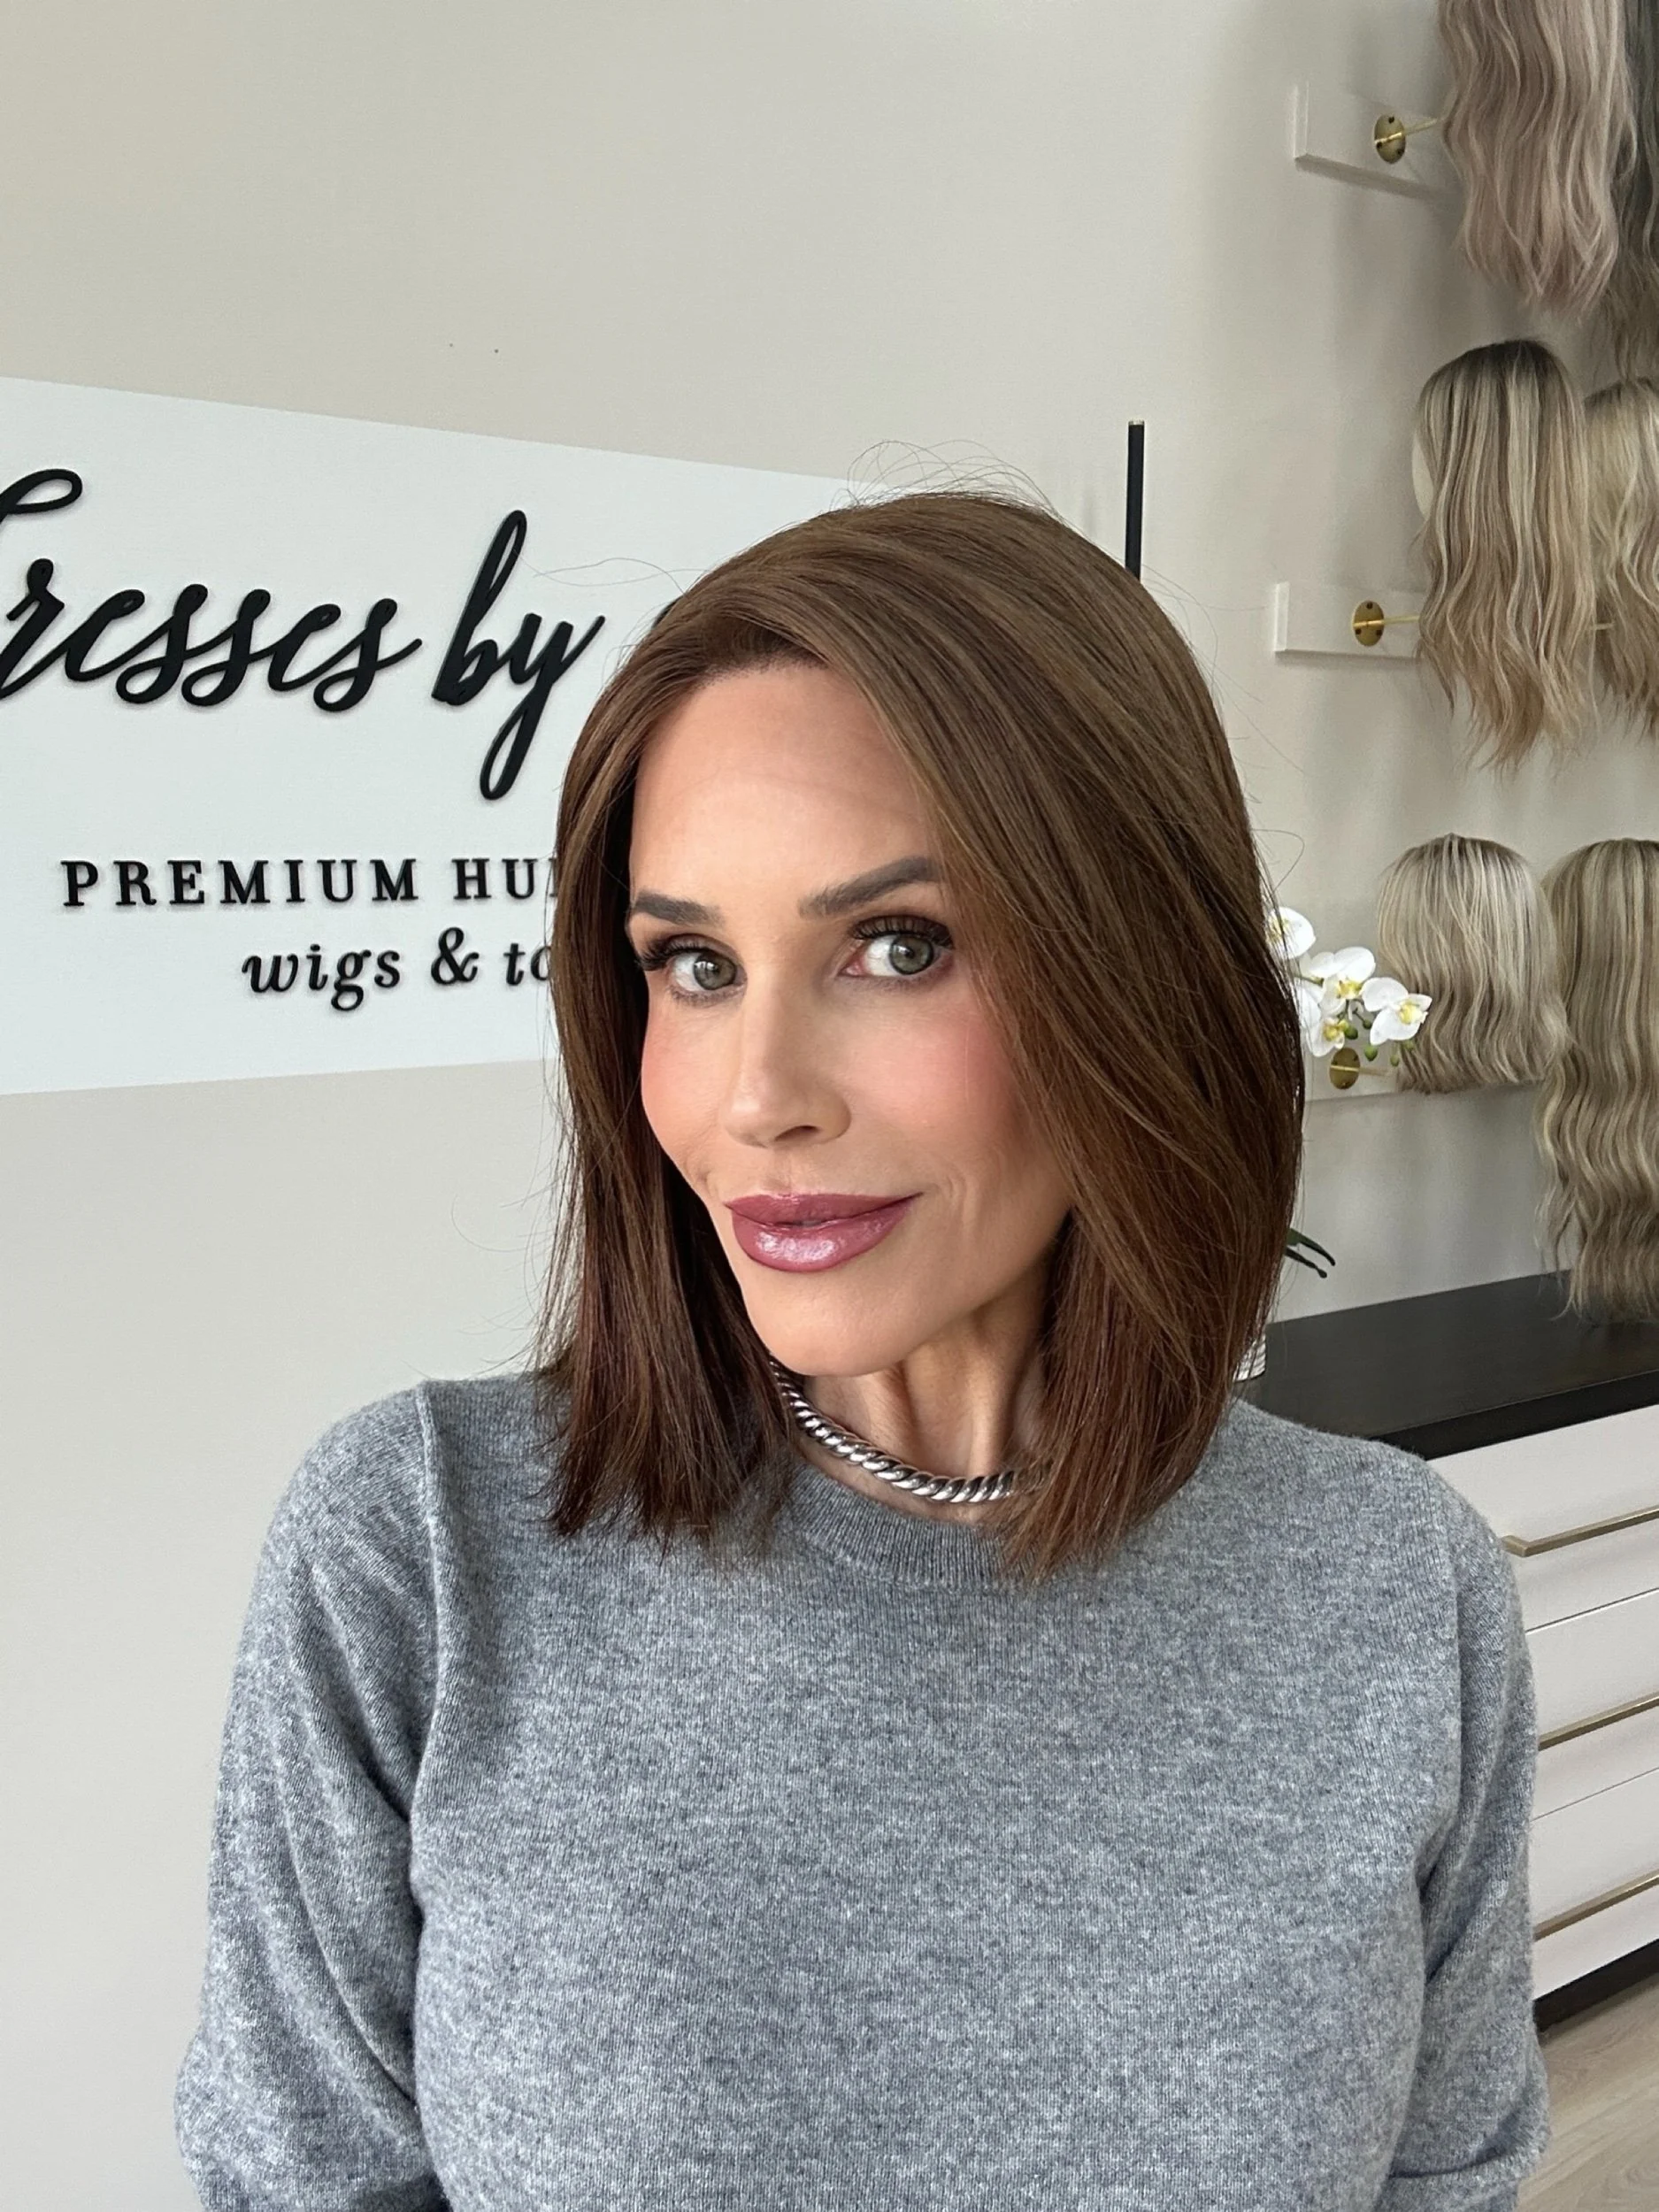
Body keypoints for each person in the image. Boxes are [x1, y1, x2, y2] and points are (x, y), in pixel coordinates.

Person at [174, 487, 1551, 2208]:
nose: (756, 1097)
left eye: (897, 947)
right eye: (691, 963)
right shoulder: (423, 1550)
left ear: (1139, 973)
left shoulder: (1395, 1589)